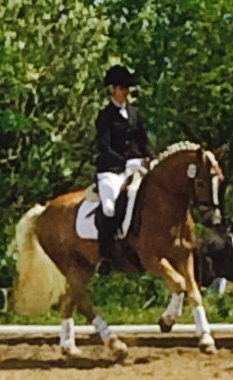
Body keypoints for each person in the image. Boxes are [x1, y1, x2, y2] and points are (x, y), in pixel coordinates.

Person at [94, 65, 151, 275]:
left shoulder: (135, 114)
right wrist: (124, 162)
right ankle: (105, 256)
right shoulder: (105, 117)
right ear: (113, 89)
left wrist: (148, 157)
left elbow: (143, 140)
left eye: (127, 88)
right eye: (122, 88)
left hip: (135, 167)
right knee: (109, 207)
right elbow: (104, 147)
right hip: (111, 170)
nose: (125, 92)